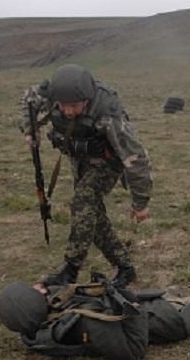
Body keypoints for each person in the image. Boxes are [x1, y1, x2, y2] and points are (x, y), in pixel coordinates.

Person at [20, 64, 153, 288]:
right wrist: (30, 129)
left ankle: (70, 270)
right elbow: (29, 100)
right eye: (64, 106)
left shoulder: (108, 112)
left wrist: (141, 202)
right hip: (79, 159)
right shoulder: (51, 94)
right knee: (91, 214)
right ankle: (125, 267)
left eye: (74, 106)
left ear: (87, 99)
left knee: (82, 202)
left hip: (107, 162)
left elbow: (136, 156)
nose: (69, 111)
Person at [0, 266, 190, 360]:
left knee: (177, 288)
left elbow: (66, 294)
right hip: (171, 321)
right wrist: (121, 305)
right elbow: (134, 349)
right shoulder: (80, 324)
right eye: (34, 293)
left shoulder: (46, 318)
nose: (40, 290)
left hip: (156, 306)